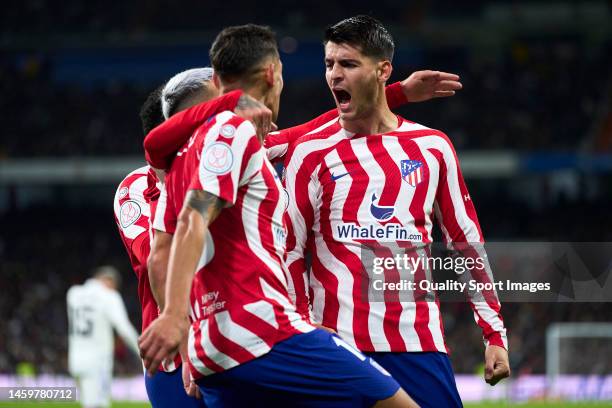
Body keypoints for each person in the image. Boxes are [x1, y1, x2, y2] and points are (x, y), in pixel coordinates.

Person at [139, 24, 419, 407]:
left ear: (217, 79)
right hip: (264, 330)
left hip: (213, 350)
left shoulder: (184, 156)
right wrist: (173, 316)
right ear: (273, 73)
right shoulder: (232, 131)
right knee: (399, 403)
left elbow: (160, 254)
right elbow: (194, 218)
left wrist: (189, 345)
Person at [284, 15, 510, 408]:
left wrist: (494, 335)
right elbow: (290, 252)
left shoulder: (432, 147)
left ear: (383, 70)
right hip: (337, 345)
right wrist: (305, 333)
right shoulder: (309, 153)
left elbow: (466, 244)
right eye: (329, 64)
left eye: (348, 64)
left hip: (417, 342)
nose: (334, 75)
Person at [114, 67, 271, 407]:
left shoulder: (224, 163)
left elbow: (306, 134)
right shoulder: (136, 188)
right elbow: (158, 257)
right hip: (172, 360)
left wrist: (390, 95)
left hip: (235, 341)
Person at [66, 266, 140, 408]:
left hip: (76, 359)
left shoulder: (73, 294)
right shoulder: (109, 296)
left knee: (88, 401)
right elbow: (123, 328)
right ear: (109, 281)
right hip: (98, 360)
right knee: (99, 404)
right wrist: (141, 351)